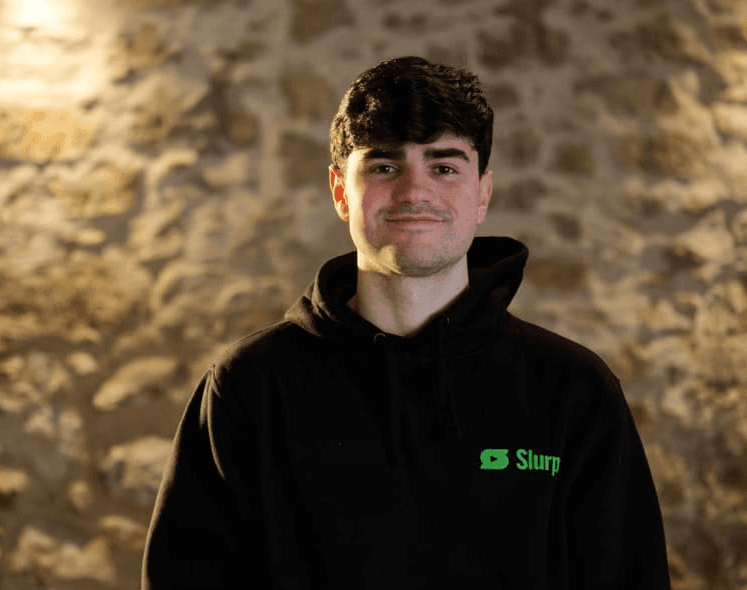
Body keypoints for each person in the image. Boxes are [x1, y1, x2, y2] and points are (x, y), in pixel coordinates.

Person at [141, 56, 671, 589]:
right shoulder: (249, 387)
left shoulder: (573, 391)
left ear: (482, 194)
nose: (415, 192)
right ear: (340, 192)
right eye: (384, 167)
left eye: (444, 167)